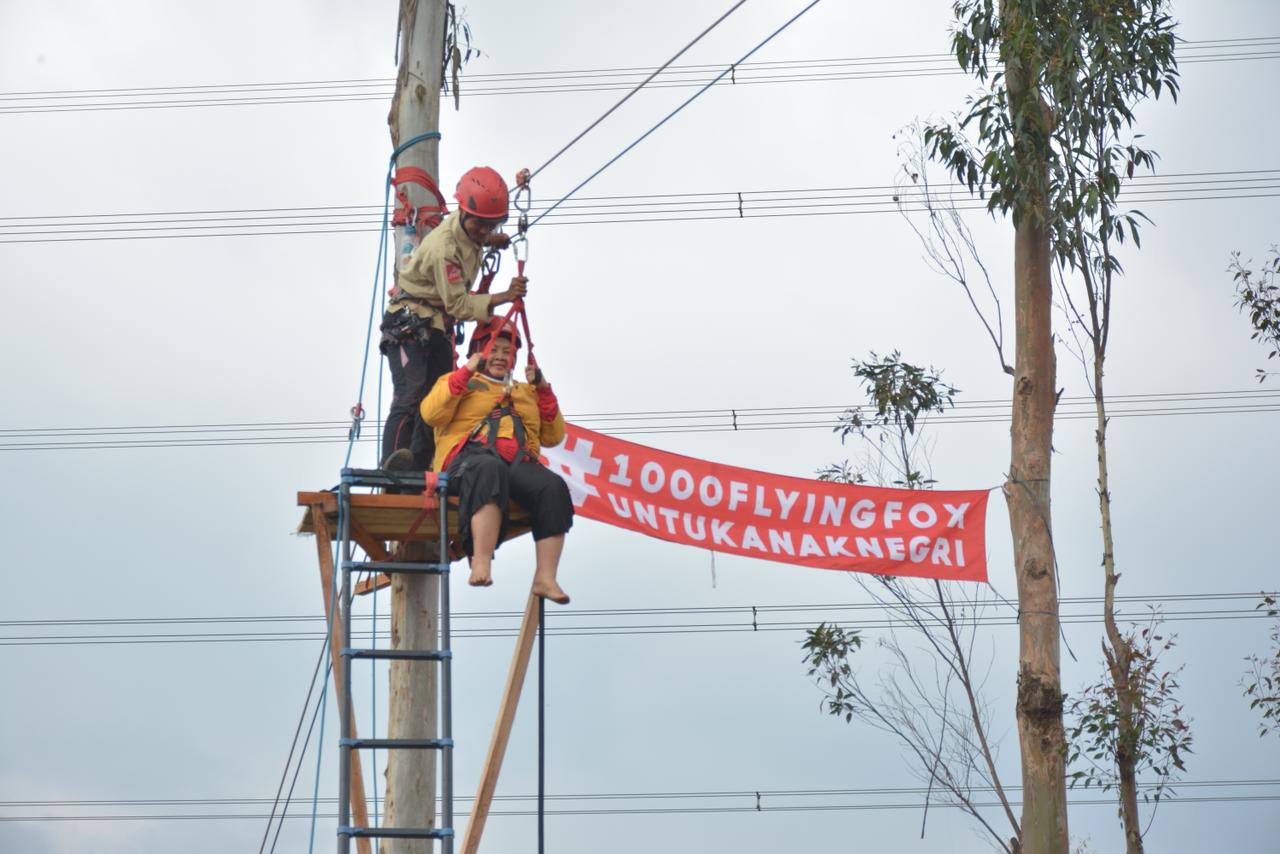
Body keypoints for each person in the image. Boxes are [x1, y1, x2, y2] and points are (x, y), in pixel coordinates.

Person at [379, 165, 529, 472]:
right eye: (481, 227)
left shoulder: (470, 232)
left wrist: (491, 240)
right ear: (463, 214)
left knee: (438, 399)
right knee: (410, 394)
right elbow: (460, 305)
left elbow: (471, 238)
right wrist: (505, 296)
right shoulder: (442, 249)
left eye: (490, 227)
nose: (483, 232)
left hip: (433, 324)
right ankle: (391, 466)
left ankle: (421, 467)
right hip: (408, 322)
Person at [420, 317, 572, 604]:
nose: (501, 357)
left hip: (516, 464)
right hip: (466, 463)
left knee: (552, 487)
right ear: (479, 352)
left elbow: (553, 436)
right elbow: (431, 414)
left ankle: (545, 577)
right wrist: (465, 372)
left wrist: (544, 390)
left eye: (508, 352)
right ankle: (480, 559)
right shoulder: (460, 381)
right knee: (488, 469)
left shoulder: (526, 392)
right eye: (495, 349)